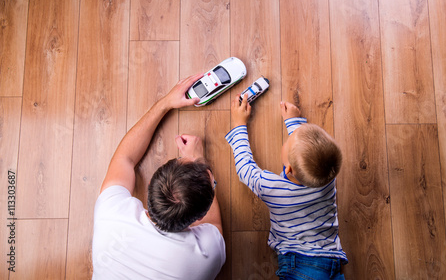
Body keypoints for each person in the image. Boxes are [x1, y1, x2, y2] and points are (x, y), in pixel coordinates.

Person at [92, 74, 225, 280]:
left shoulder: (111, 213)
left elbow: (124, 158)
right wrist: (197, 159)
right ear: (200, 217)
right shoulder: (206, 257)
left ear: (153, 185)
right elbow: (214, 226)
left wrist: (165, 104)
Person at [226, 94, 347, 280]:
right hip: (331, 257)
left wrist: (238, 124)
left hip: (300, 264)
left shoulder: (272, 189)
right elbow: (310, 153)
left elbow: (245, 169)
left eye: (287, 143)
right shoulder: (327, 176)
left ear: (288, 168)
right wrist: (294, 121)